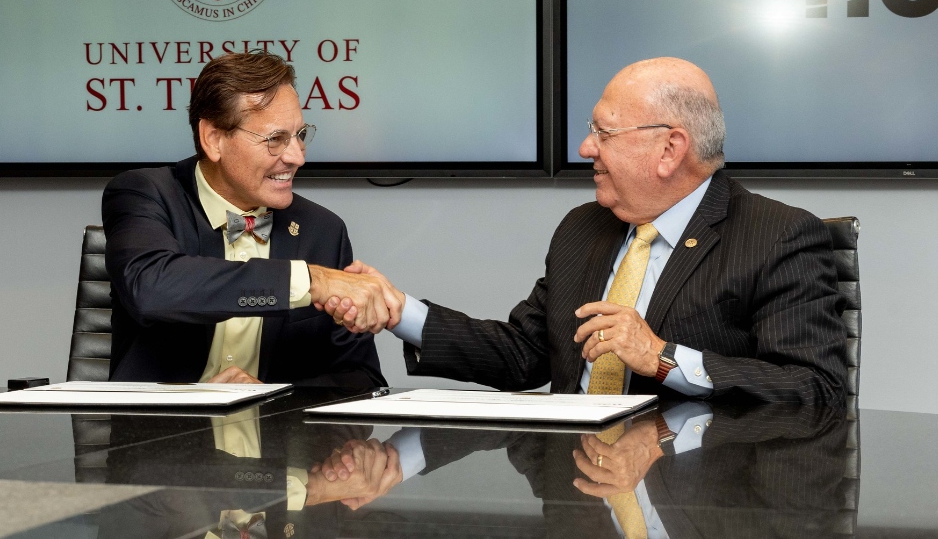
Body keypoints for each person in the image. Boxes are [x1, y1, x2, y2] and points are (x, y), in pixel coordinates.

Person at [330, 57, 848, 405]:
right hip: (573, 488)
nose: (585, 148)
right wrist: (401, 311)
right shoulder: (585, 228)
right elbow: (524, 354)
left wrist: (663, 359)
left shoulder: (778, 236)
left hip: (696, 501)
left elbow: (815, 387)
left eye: (603, 132)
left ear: (670, 148)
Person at [102, 51, 400, 385]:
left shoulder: (323, 230)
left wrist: (274, 399)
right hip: (156, 433)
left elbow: (362, 377)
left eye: (300, 135)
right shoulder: (146, 194)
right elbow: (151, 288)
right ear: (214, 139)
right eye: (275, 139)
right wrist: (310, 281)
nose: (297, 157)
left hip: (272, 435)